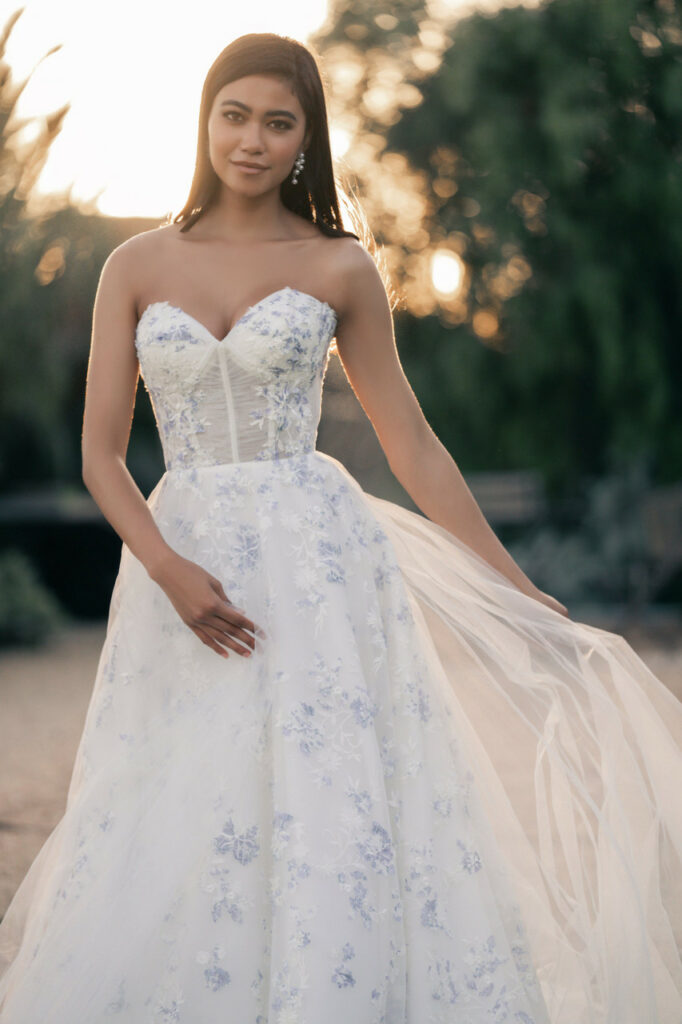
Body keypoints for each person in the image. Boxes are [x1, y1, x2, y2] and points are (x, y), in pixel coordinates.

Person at [0, 31, 680, 1024]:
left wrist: (509, 582)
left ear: (307, 139)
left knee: (329, 793)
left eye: (280, 122)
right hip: (185, 557)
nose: (252, 139)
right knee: (172, 794)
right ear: (203, 120)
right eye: (234, 114)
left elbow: (413, 444)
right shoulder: (136, 263)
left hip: (316, 562)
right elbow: (101, 453)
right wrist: (166, 566)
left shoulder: (340, 266)